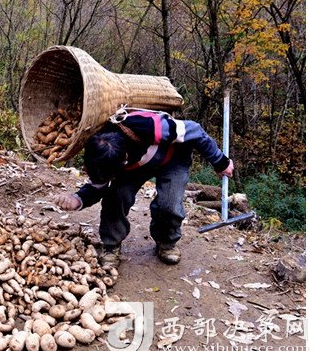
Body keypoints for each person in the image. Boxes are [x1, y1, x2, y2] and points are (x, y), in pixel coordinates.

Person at [56, 109, 234, 267]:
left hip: (173, 158)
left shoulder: (151, 127)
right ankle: (111, 244)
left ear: (123, 160)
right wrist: (78, 199)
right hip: (134, 167)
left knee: (170, 204)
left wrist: (220, 162)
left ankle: (166, 241)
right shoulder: (99, 153)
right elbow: (99, 186)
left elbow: (196, 131)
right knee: (116, 195)